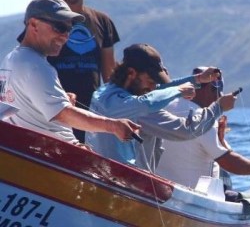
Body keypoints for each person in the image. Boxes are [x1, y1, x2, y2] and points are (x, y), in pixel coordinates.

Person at [1, 0, 139, 146]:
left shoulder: (11, 59)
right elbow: (63, 114)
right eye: (59, 28)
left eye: (69, 29)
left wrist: (60, 98)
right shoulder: (35, 65)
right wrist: (113, 126)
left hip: (33, 151)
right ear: (34, 24)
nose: (65, 36)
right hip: (57, 156)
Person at [85, 43, 237, 170]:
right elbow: (184, 130)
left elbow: (156, 90)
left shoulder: (104, 91)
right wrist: (218, 107)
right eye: (151, 80)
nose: (153, 87)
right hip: (125, 184)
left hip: (99, 172)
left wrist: (197, 80)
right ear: (131, 73)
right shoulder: (137, 108)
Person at [155, 67, 250, 189]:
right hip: (192, 198)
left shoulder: (162, 106)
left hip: (160, 189)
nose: (221, 95)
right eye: (219, 88)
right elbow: (229, 163)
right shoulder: (204, 119)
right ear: (207, 88)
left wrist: (220, 139)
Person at [48, 0, 120, 142]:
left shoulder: (102, 21)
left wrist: (115, 108)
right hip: (55, 112)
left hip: (92, 114)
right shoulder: (44, 21)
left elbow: (109, 73)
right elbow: (31, 61)